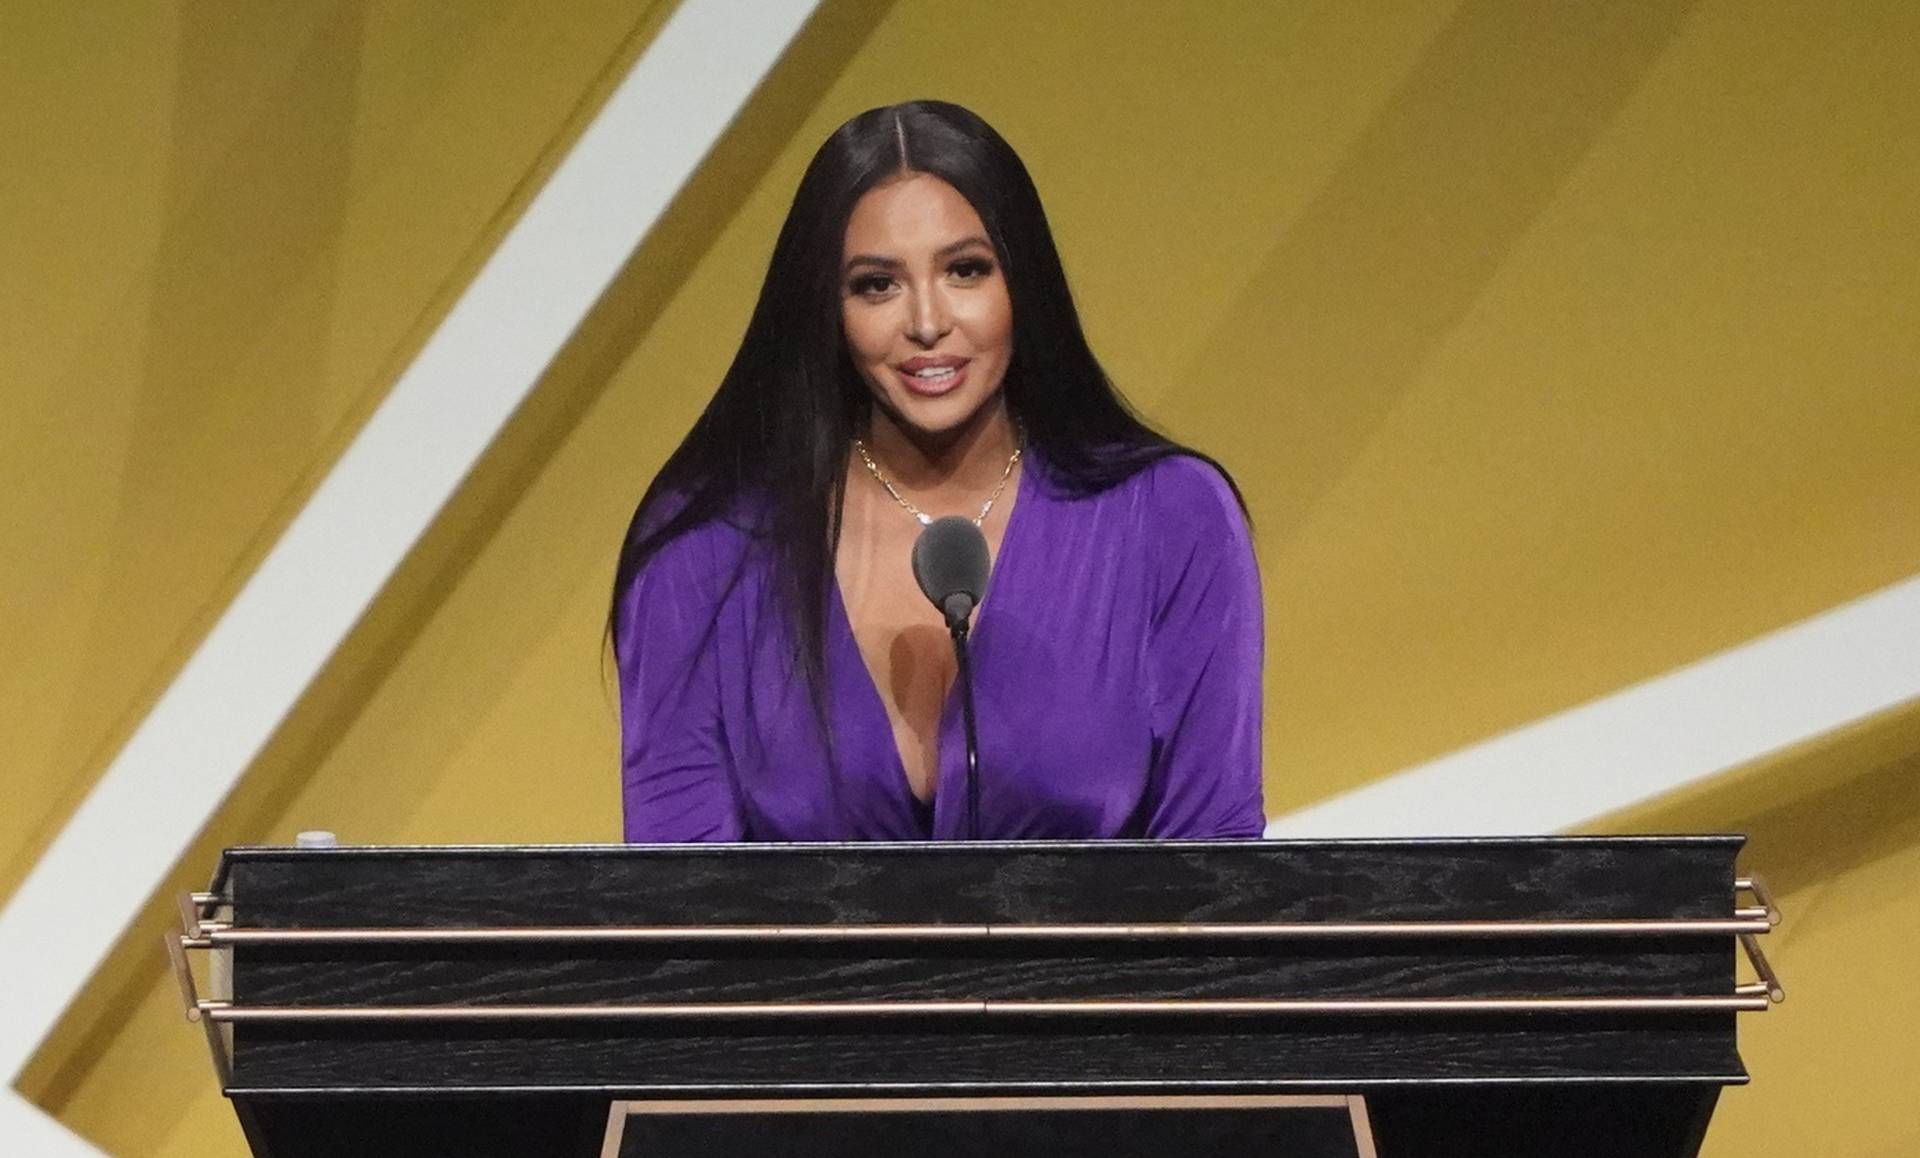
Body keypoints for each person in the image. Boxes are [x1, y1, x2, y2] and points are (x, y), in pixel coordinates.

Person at [611, 101, 1263, 842]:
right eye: (876, 285)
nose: (926, 321)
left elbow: (1215, 881)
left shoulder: (1172, 519)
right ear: (826, 306)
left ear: (1024, 283)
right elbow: (684, 912)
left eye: (965, 270)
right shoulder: (704, 548)